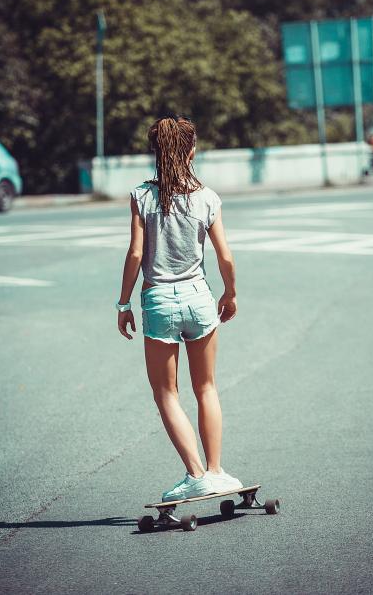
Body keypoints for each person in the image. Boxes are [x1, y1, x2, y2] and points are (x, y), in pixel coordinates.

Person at [116, 115, 243, 502]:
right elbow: (225, 256)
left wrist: (123, 303)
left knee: (166, 393)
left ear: (156, 152)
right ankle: (217, 471)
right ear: (191, 151)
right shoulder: (207, 197)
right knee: (206, 387)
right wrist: (230, 294)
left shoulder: (142, 196)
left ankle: (195, 474)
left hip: (159, 301)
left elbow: (136, 253)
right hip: (200, 298)